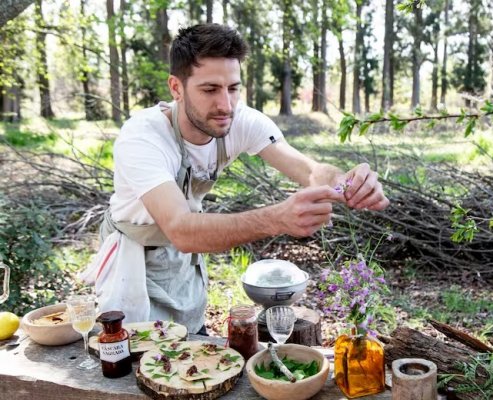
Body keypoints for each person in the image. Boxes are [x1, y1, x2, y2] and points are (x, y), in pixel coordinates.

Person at [87, 23, 389, 335]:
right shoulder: (143, 137)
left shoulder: (240, 120)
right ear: (176, 88)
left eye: (233, 88)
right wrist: (277, 219)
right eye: (209, 90)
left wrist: (347, 182)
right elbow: (180, 229)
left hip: (183, 261)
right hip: (132, 260)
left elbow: (309, 170)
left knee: (190, 343)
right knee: (132, 355)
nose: (225, 105)